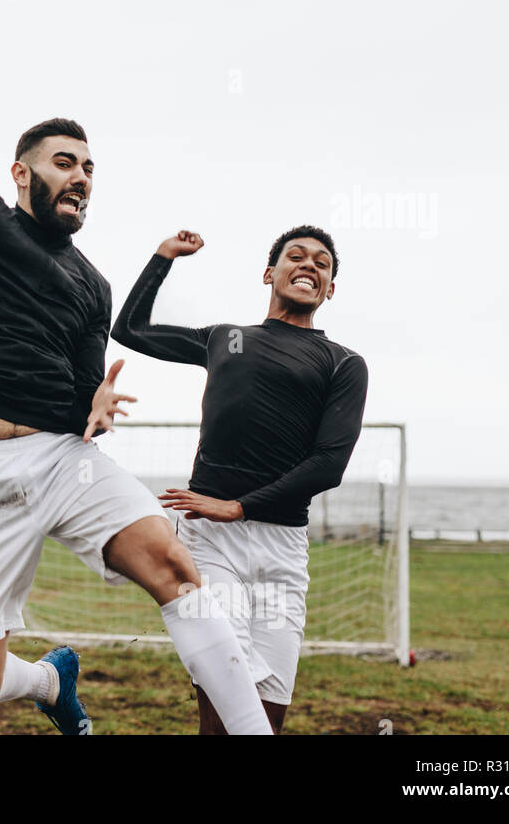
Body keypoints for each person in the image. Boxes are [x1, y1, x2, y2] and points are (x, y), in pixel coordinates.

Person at [0, 47, 272, 734]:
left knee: (173, 564)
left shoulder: (93, 284)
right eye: (64, 162)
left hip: (61, 458)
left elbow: (87, 392)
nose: (79, 176)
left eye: (88, 168)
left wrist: (97, 408)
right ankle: (50, 681)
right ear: (22, 173)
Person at [111, 227, 369, 733]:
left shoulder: (344, 363)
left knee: (265, 717)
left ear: (330, 289)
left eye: (322, 264)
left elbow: (329, 464)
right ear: (270, 273)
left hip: (282, 550)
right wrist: (163, 258)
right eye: (297, 256)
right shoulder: (227, 339)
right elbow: (131, 329)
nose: (309, 266)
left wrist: (241, 505)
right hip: (211, 543)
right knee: (226, 699)